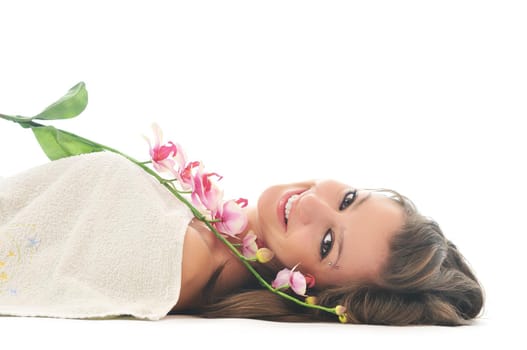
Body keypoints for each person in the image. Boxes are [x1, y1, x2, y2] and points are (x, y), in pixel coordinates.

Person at [170, 179, 485, 326]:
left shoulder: (189, 257)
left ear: (310, 288)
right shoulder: (200, 222)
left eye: (327, 243)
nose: (310, 202)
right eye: (347, 200)